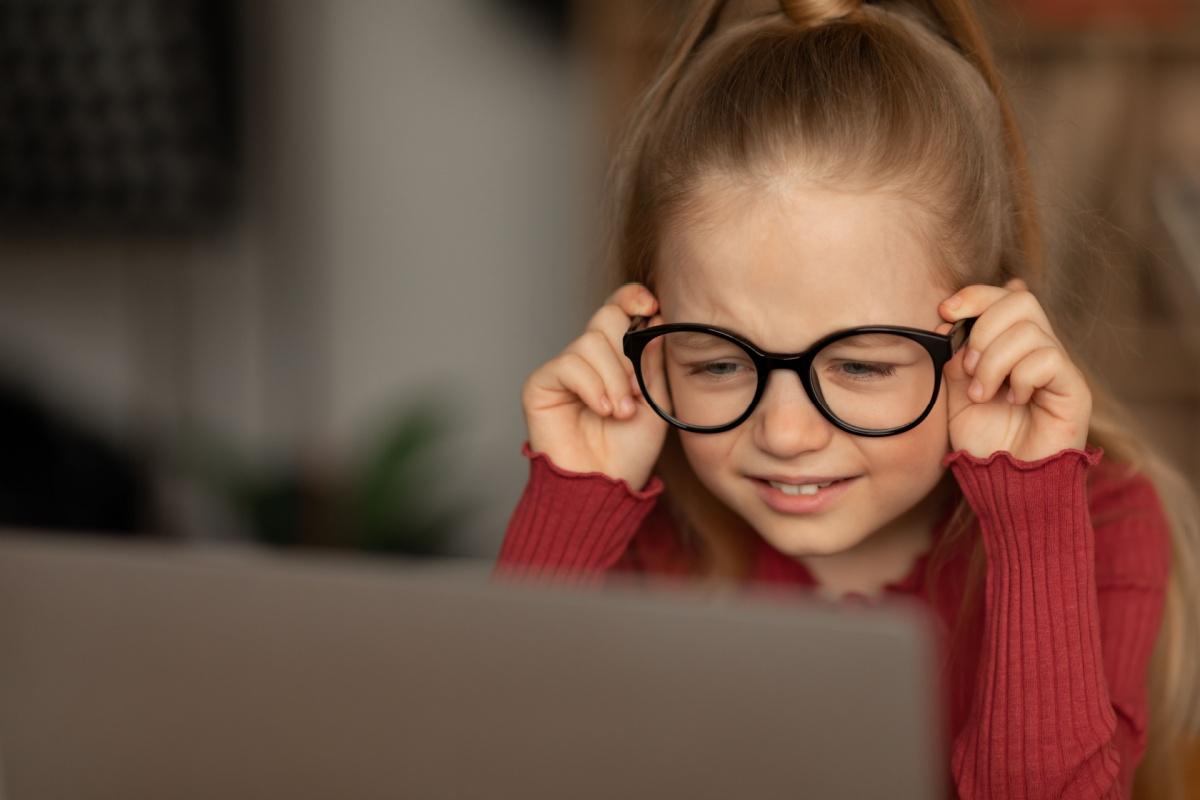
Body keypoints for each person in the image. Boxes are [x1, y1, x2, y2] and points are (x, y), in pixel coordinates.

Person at [491, 0, 1200, 797]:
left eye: (860, 366)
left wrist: (1030, 519)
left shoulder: (1103, 525)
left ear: (983, 339)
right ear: (647, 339)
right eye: (718, 364)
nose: (785, 432)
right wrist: (573, 506)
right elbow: (482, 770)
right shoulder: (641, 540)